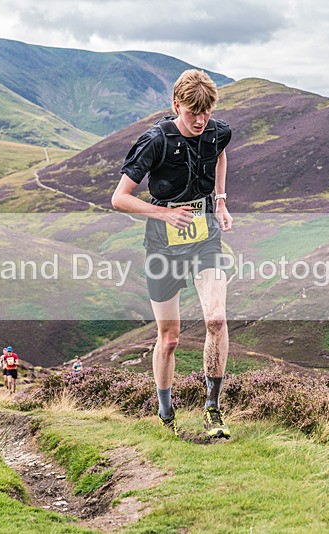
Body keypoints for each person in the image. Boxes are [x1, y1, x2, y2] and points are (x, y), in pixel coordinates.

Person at [111, 69, 233, 439]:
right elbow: (119, 198)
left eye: (206, 112)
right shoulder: (155, 141)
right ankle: (166, 413)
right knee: (170, 337)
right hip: (163, 243)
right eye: (192, 112)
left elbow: (220, 154)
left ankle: (213, 408)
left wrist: (221, 199)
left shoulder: (216, 130)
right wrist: (165, 213)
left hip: (205, 237)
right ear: (176, 105)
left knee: (216, 319)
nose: (199, 120)